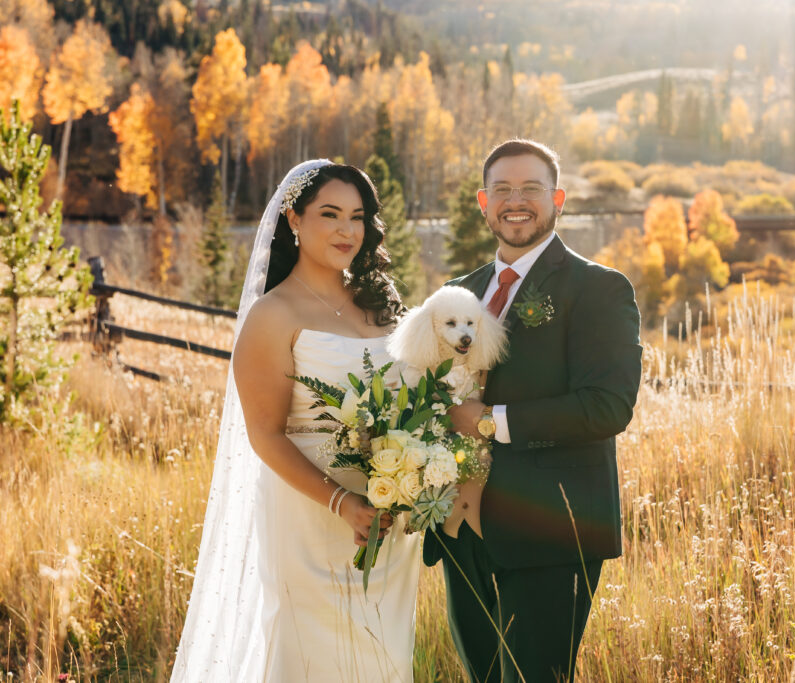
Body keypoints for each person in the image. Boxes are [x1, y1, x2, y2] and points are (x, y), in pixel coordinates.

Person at [171, 161, 419, 682]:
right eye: (330, 214)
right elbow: (264, 434)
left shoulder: (382, 307)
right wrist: (343, 502)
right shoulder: (273, 315)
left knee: (385, 660)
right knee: (310, 657)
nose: (347, 230)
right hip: (310, 518)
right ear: (294, 219)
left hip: (388, 522)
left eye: (357, 217)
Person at [426, 139, 643, 682]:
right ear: (483, 202)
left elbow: (608, 406)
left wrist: (488, 421)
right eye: (502, 189)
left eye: (531, 188)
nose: (515, 200)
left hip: (551, 529)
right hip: (462, 532)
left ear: (557, 199)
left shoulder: (598, 289)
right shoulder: (457, 293)